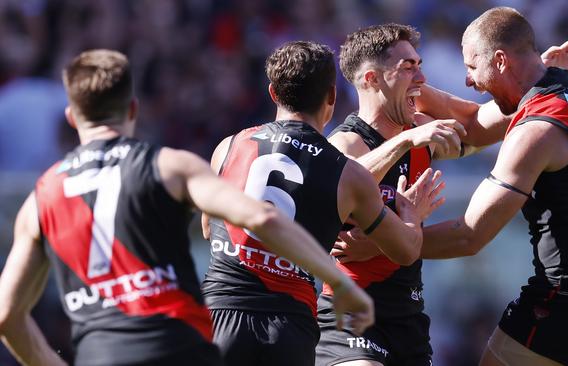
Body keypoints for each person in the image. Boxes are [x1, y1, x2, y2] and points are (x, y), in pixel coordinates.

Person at [0, 49, 374, 365]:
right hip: (175, 345)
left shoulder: (42, 195)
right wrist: (339, 281)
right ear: (133, 109)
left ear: (71, 117)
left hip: (99, 352)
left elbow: (6, 317)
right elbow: (259, 215)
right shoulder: (169, 166)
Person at [317, 23, 568, 366]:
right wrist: (405, 141)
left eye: (419, 65)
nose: (421, 77)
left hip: (408, 320)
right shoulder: (347, 143)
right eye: (408, 68)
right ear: (372, 79)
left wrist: (536, 81)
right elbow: (334, 185)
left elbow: (480, 124)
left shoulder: (421, 130)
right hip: (351, 321)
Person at [421, 7, 568, 366]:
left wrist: (385, 241)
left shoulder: (535, 133)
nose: (468, 81)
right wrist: (411, 87)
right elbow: (476, 124)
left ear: (500, 60)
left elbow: (469, 235)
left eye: (471, 67)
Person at [199, 41, 445, 366]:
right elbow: (406, 250)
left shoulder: (230, 146)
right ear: (332, 97)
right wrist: (412, 215)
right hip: (288, 328)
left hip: (220, 314)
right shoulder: (345, 173)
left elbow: (207, 229)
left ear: (273, 93)